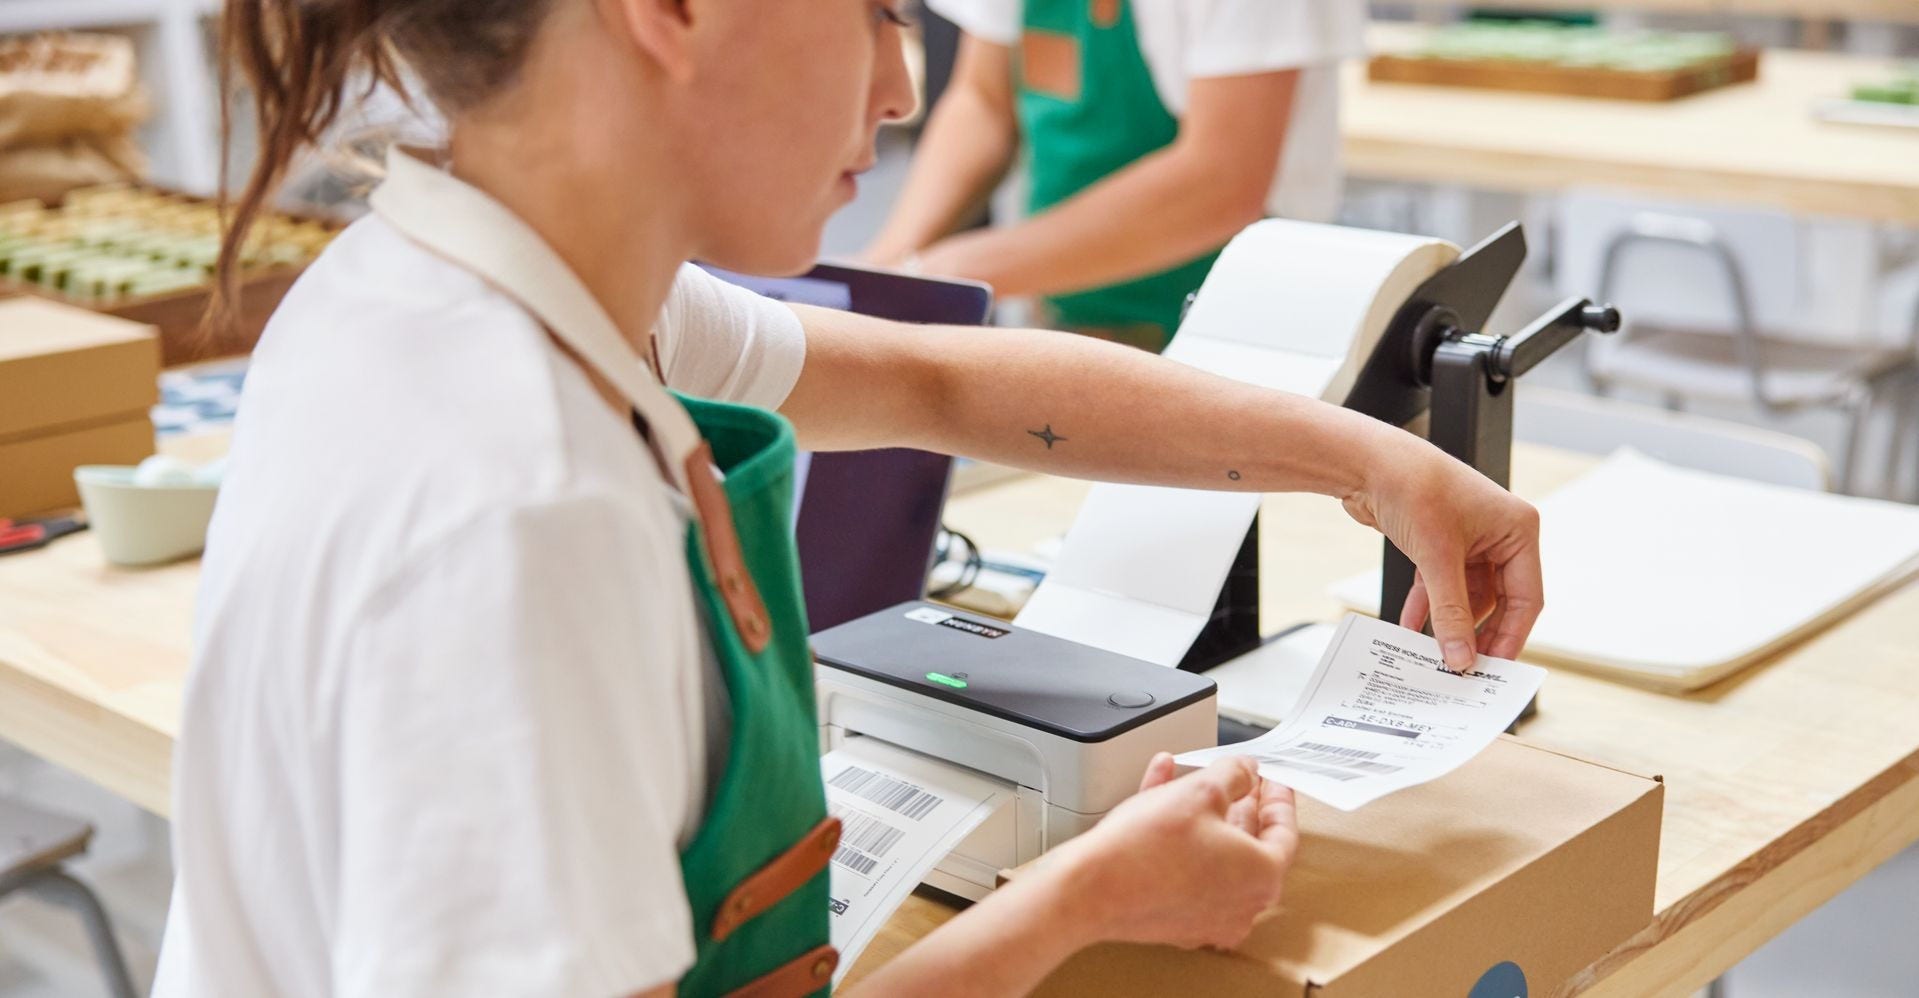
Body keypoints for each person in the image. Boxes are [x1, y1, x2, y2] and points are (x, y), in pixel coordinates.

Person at [155, 1, 1544, 995]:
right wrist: (1086, 898)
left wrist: (1369, 456)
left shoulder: (486, 288)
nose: (899, 88)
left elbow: (943, 386)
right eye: (876, 11)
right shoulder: (519, 508)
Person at [864, 0, 1366, 350]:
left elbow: (1220, 182)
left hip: (1236, 332)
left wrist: (946, 271)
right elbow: (984, 103)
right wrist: (883, 268)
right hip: (1065, 325)